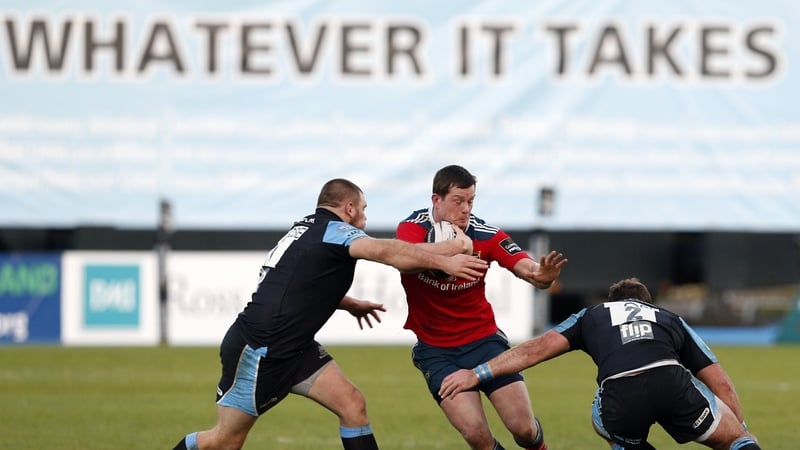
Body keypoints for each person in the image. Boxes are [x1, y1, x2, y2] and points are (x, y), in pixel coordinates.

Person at [172, 178, 489, 450]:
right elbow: (386, 252)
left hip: (295, 347)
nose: (365, 216)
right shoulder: (335, 230)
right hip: (262, 349)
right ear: (349, 208)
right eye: (363, 209)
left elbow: (297, 284)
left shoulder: (309, 229)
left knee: (352, 404)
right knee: (224, 442)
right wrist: (447, 260)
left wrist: (348, 303)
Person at [439, 278, 762, 450]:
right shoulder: (668, 317)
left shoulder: (593, 314)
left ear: (612, 302)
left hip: (621, 394)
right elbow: (720, 380)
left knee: (603, 415)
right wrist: (741, 430)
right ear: (646, 302)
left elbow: (536, 349)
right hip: (671, 382)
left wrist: (477, 373)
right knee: (735, 441)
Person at [395, 165, 568, 450]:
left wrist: (541, 276)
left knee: (524, 429)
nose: (466, 209)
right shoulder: (413, 229)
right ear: (436, 200)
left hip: (484, 343)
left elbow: (527, 268)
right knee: (477, 436)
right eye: (458, 201)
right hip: (436, 352)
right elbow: (401, 258)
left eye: (471, 201)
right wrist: (451, 252)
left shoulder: (485, 233)